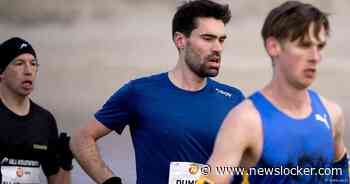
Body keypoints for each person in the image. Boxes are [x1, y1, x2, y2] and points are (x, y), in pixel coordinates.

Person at [70, 0, 244, 183]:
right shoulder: (140, 93)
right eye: (208, 39)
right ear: (180, 40)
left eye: (221, 40)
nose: (218, 48)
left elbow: (249, 165)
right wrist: (110, 181)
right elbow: (81, 138)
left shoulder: (233, 100)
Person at [197, 1, 349, 184]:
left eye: (320, 47)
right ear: (273, 46)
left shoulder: (332, 114)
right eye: (304, 45)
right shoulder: (244, 120)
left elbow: (341, 170)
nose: (315, 57)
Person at [0, 37, 73, 184]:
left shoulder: (45, 120)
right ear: (1, 72)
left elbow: (56, 179)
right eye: (19, 64)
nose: (28, 71)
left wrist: (65, 163)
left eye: (33, 64)